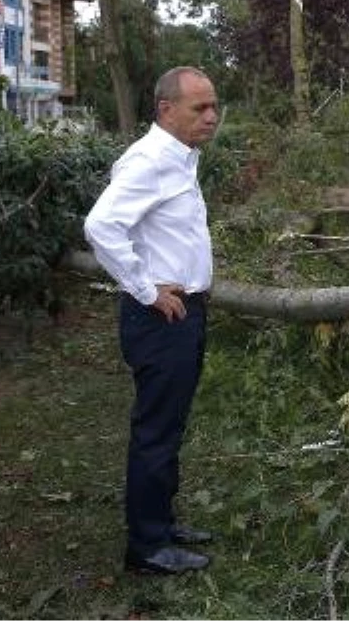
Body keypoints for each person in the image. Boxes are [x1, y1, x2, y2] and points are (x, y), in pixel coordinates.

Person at [84, 66, 220, 575]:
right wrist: (146, 289)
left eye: (213, 106)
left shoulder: (179, 159)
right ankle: (146, 548)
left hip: (183, 313)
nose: (212, 116)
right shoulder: (150, 161)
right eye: (199, 108)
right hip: (162, 319)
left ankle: (160, 524)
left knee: (170, 424)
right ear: (166, 110)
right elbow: (100, 226)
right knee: (156, 431)